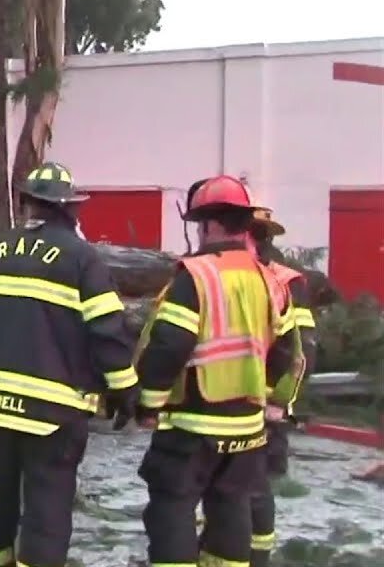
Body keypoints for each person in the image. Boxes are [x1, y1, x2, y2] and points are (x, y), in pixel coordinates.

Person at [0, 161, 136, 567]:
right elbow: (108, 332)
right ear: (71, 209)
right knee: (46, 516)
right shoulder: (83, 259)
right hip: (53, 415)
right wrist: (124, 391)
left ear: (28, 203)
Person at [134, 175, 299, 567]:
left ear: (210, 224)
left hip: (193, 420)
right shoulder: (270, 279)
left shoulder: (197, 275)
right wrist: (271, 400)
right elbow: (286, 352)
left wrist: (148, 404)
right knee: (231, 510)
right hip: (245, 427)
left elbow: (169, 344)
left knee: (171, 509)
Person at [247, 206, 317, 567]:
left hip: (262, 406)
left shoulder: (286, 280)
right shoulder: (233, 275)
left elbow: (302, 349)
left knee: (257, 490)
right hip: (236, 402)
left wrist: (280, 401)